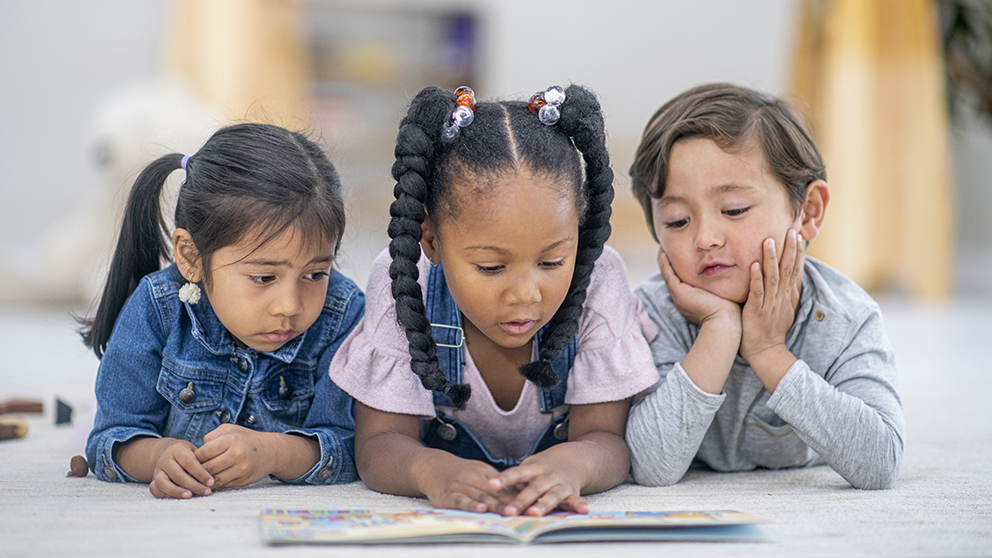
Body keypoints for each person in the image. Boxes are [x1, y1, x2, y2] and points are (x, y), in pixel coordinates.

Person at [328, 85, 658, 516]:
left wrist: (573, 465)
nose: (525, 293)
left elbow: (607, 440)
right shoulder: (404, 281)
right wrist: (430, 471)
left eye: (552, 261)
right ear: (431, 241)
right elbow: (378, 443)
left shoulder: (599, 278)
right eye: (490, 267)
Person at [625, 83, 905, 490]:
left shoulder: (845, 317)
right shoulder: (654, 313)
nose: (705, 238)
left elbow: (880, 464)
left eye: (734, 210)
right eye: (678, 221)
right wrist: (719, 329)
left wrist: (769, 351)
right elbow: (650, 466)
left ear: (808, 211)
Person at [81, 123, 364, 499]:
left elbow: (357, 448)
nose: (290, 306)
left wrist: (275, 454)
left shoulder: (342, 314)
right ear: (191, 257)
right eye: (264, 277)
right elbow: (109, 439)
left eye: (315, 273)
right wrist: (158, 455)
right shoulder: (158, 308)